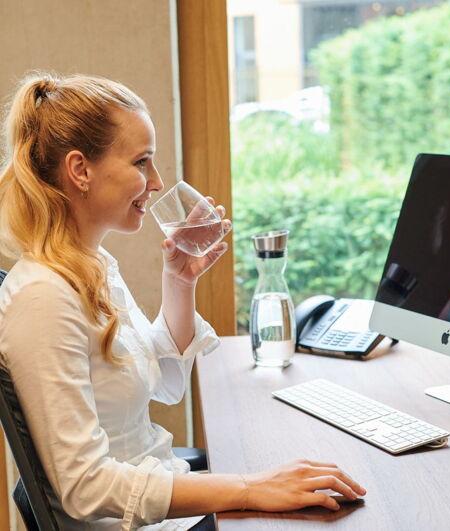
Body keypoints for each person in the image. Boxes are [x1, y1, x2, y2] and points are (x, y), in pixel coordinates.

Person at [0, 72, 366, 530]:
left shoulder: (91, 266)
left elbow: (160, 384)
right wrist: (249, 487)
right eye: (142, 162)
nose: (156, 182)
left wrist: (179, 280)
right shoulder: (43, 298)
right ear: (80, 170)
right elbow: (85, 487)